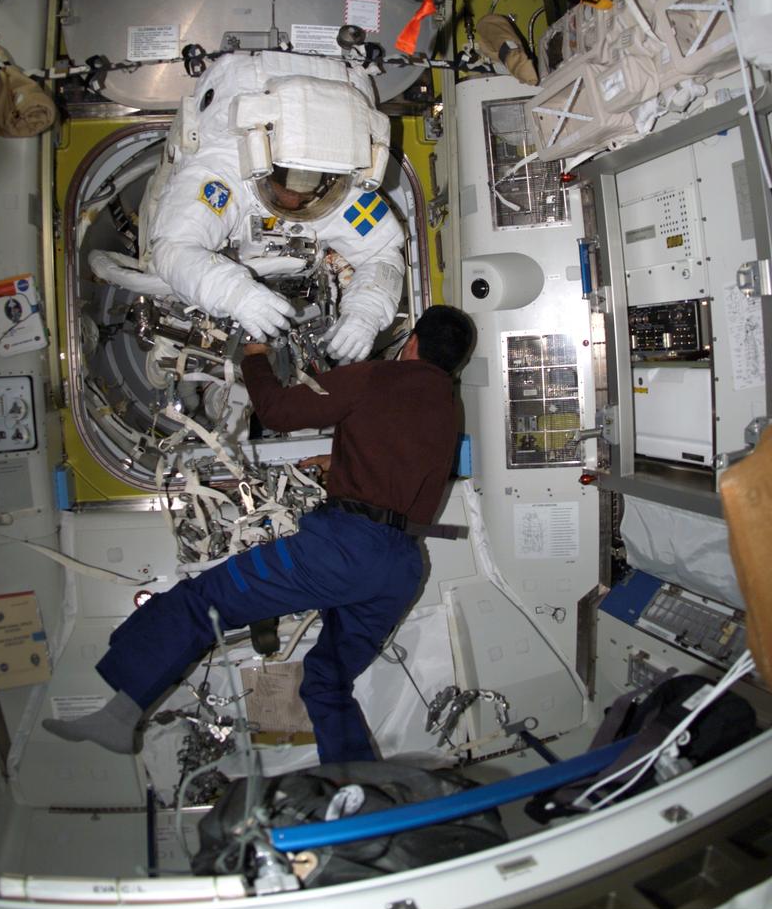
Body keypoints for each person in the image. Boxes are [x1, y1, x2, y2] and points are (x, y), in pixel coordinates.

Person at [42, 304, 475, 763]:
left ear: (411, 343)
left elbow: (276, 411)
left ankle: (118, 716)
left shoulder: (378, 377)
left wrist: (254, 353)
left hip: (343, 550)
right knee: (327, 680)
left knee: (201, 602)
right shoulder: (449, 406)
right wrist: (338, 464)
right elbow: (406, 461)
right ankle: (358, 795)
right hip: (401, 568)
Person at [88, 49, 405, 363]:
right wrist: (233, 293)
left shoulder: (346, 185)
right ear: (260, 156)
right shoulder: (221, 174)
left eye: (312, 188)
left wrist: (366, 311)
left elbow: (383, 253)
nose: (295, 199)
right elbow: (174, 249)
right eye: (286, 183)